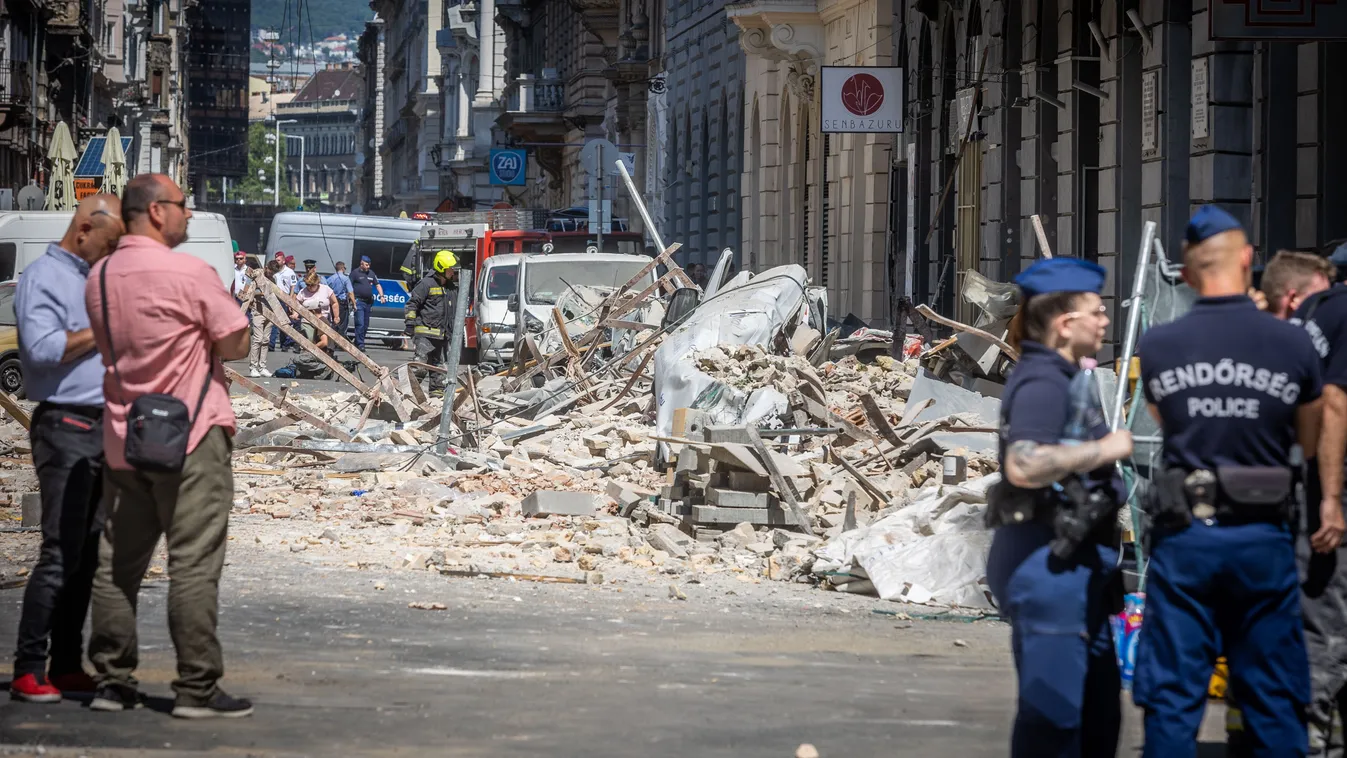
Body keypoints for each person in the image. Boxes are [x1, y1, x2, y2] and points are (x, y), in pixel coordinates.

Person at [1133, 206, 1328, 757]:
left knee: (1173, 693)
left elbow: (1165, 420)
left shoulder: (1161, 346)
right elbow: (1308, 443)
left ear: (1188, 273)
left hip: (1186, 537)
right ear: (1247, 260)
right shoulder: (1293, 344)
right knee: (1272, 692)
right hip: (1262, 536)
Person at [83, 173, 253, 719]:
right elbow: (236, 341)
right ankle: (196, 689)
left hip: (121, 436)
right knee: (193, 565)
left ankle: (112, 681)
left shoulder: (100, 276)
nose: (188, 214)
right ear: (157, 211)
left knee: (116, 565)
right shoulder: (191, 272)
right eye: (183, 205)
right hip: (193, 436)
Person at [983, 256, 1133, 757]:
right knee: (1053, 722)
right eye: (1097, 310)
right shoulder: (1044, 381)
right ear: (1068, 324)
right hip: (1048, 566)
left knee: (1096, 717)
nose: (1106, 320)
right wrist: (1105, 450)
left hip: (1076, 569)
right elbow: (1023, 465)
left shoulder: (1065, 376)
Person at [9, 194, 125, 703]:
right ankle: (29, 667)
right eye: (109, 242)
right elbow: (42, 350)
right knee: (59, 549)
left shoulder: (92, 279)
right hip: (65, 424)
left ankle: (67, 661)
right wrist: (103, 329)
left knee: (88, 551)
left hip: (102, 424)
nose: (113, 252)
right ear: (83, 230)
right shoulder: (42, 279)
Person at [1251, 249, 1347, 756]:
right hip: (1320, 477)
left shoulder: (1311, 318)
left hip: (1315, 478)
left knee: (1320, 601)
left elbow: (1328, 402)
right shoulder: (1328, 312)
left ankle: (1311, 729)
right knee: (1324, 601)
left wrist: (1327, 495)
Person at [404, 250, 458, 397]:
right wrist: (410, 323)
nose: (452, 271)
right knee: (420, 366)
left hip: (443, 335)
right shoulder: (426, 284)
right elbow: (412, 304)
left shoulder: (451, 288)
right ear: (441, 268)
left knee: (439, 369)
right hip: (425, 334)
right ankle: (408, 393)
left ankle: (437, 397)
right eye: (450, 268)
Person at [246, 260, 284, 378]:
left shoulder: (273, 279)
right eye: (270, 271)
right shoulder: (257, 275)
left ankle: (262, 367)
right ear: (266, 267)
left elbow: (274, 292)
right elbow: (249, 290)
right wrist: (263, 294)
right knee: (257, 339)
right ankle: (253, 367)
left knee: (266, 340)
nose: (271, 274)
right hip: (258, 310)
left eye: (273, 273)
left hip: (269, 311)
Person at [350, 254, 383, 353]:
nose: (368, 267)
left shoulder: (371, 273)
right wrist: (352, 301)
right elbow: (349, 288)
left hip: (368, 302)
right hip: (358, 301)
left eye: (369, 265)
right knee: (359, 323)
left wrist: (382, 296)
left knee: (365, 324)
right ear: (361, 263)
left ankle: (358, 341)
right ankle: (360, 344)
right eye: (366, 265)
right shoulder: (355, 273)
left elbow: (377, 285)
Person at [326, 260, 354, 339]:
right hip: (341, 303)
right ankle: (339, 341)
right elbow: (350, 292)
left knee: (333, 321)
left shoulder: (330, 279)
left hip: (332, 302)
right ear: (342, 268)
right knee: (341, 323)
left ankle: (331, 339)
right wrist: (354, 304)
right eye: (345, 267)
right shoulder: (346, 279)